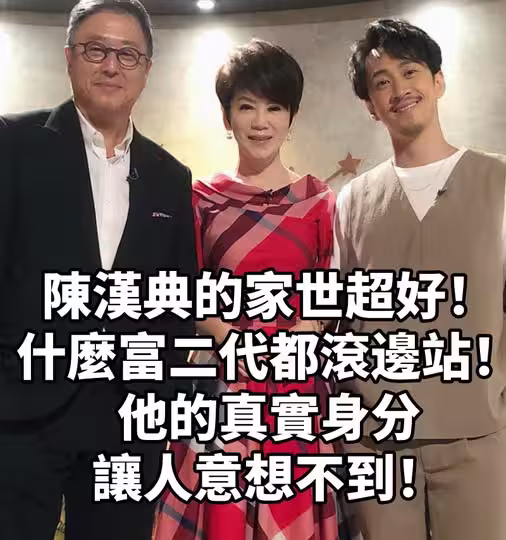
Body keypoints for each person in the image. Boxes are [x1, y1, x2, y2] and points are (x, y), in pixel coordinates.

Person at [0, 1, 197, 539]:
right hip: (22, 413)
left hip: (127, 421)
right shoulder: (13, 143)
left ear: (147, 69)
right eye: (96, 50)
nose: (112, 65)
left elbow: (177, 298)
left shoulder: (169, 175)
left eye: (128, 54)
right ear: (69, 57)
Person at [153, 39, 358, 540]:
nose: (261, 121)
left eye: (275, 107)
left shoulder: (319, 201)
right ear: (227, 117)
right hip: (225, 380)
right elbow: (186, 287)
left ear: (292, 117)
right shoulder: (200, 199)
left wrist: (297, 341)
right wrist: (233, 344)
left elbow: (329, 288)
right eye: (246, 107)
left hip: (295, 385)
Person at [335, 17, 506, 540]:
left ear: (438, 80)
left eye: (410, 71)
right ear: (370, 104)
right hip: (378, 446)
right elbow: (340, 318)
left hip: (479, 441)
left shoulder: (498, 181)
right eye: (381, 81)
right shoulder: (353, 200)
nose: (399, 89)